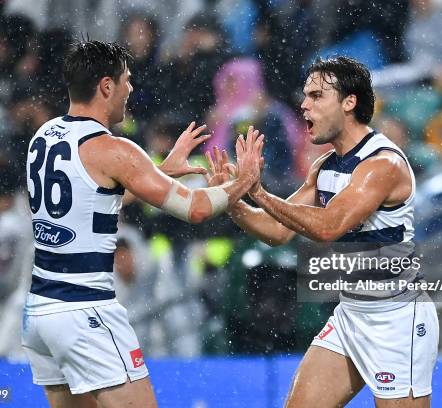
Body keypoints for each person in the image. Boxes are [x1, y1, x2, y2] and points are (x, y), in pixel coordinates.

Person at [21, 40, 263, 408]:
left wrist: (158, 172)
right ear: (106, 86)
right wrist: (243, 181)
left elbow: (94, 199)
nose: (130, 89)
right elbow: (196, 208)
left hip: (41, 311)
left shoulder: (43, 136)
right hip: (86, 308)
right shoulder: (115, 149)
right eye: (126, 80)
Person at [207, 57, 438, 407]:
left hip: (397, 321)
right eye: (305, 96)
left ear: (349, 102)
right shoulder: (324, 167)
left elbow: (329, 226)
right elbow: (277, 231)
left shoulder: (382, 164)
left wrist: (258, 191)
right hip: (351, 314)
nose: (304, 105)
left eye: (316, 96)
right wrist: (235, 200)